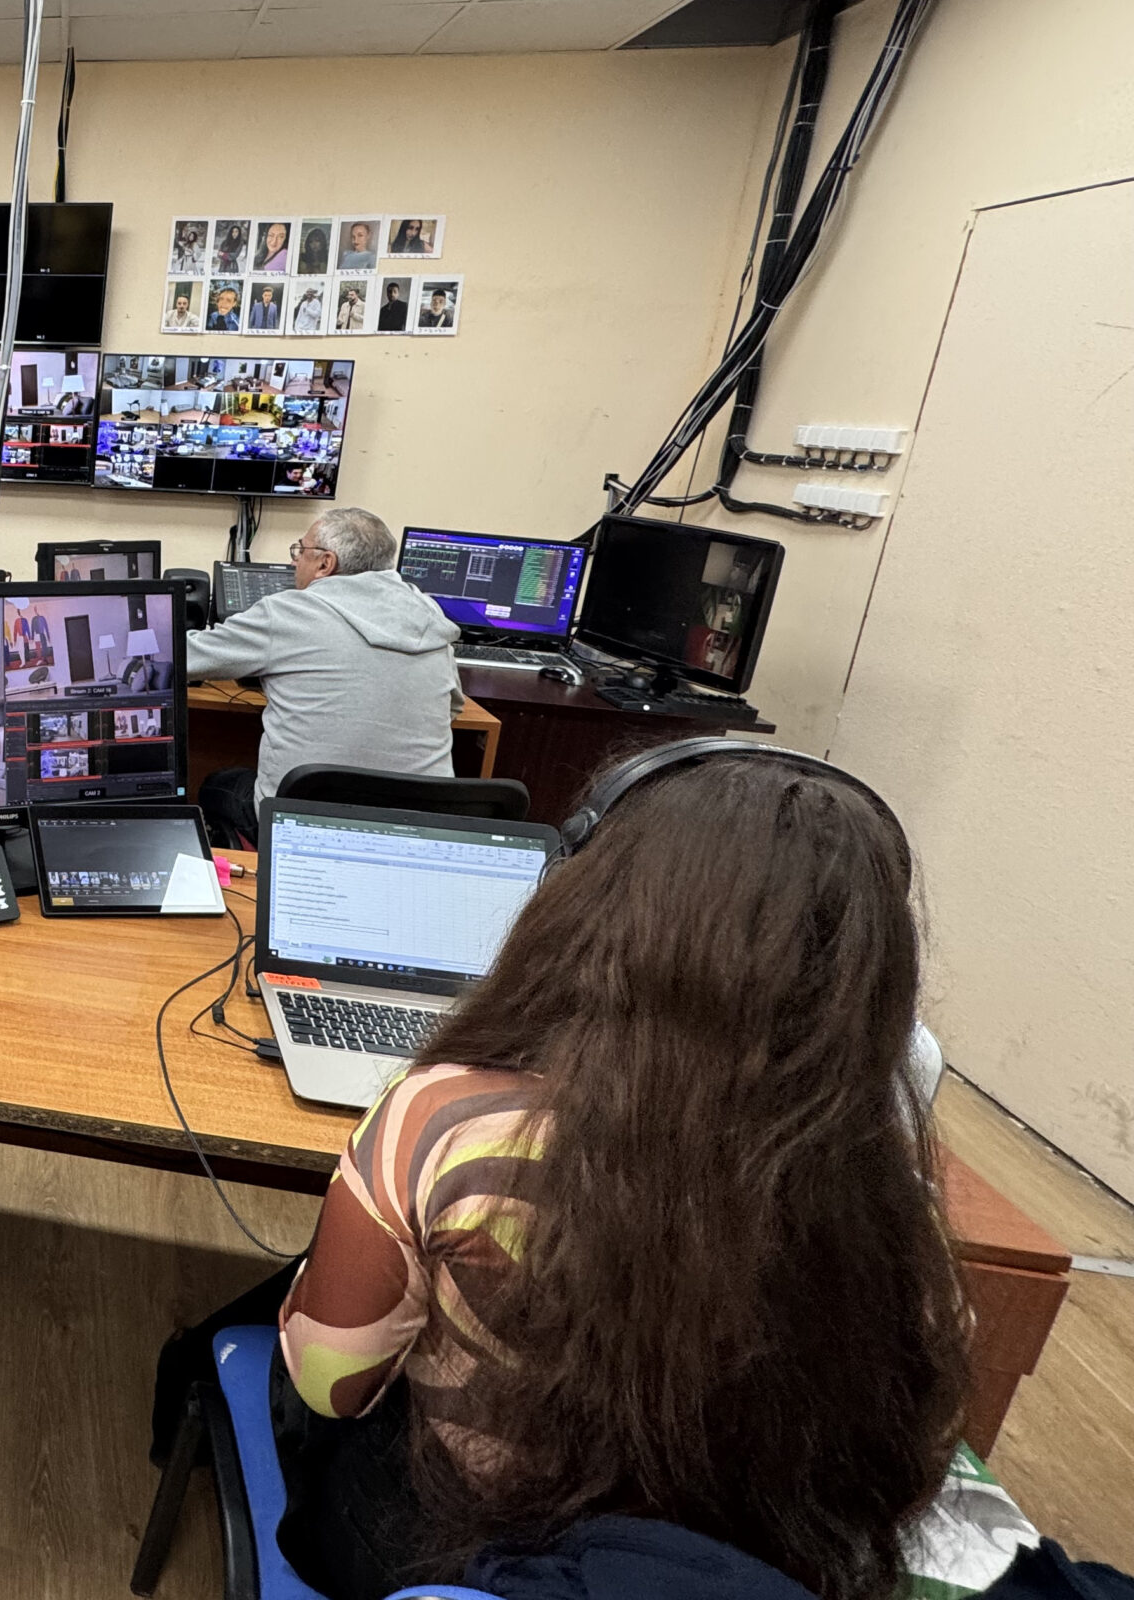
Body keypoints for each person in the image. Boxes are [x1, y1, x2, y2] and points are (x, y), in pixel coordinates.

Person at [158, 747, 975, 1600]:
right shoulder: (894, 1215)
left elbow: (330, 1388)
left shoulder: (446, 1121)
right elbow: (899, 1472)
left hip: (472, 1552)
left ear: (592, 900)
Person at [185, 507, 459, 848]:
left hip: (302, 828)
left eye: (300, 551)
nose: (294, 561)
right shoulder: (429, 616)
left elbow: (184, 657)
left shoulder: (288, 612)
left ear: (325, 563)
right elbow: (452, 708)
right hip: (417, 833)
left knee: (220, 784)